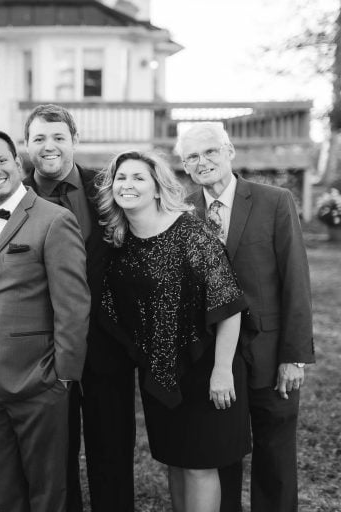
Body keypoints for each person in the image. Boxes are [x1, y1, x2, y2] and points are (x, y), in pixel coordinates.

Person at [97, 149, 251, 512]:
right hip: (161, 373)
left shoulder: (190, 235)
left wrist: (222, 371)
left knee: (199, 467)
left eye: (138, 177)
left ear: (156, 188)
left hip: (207, 371)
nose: (128, 184)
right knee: (177, 462)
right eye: (121, 177)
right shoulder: (121, 244)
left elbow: (229, 305)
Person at [177, 123, 314, 512]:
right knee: (222, 454)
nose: (202, 162)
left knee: (275, 455)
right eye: (192, 157)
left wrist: (294, 355)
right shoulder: (183, 213)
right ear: (184, 165)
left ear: (229, 150)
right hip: (213, 357)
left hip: (270, 352)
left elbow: (295, 280)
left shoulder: (275, 200)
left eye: (209, 152)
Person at [0, 129, 89, 512]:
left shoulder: (55, 220)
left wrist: (63, 376)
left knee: (46, 494)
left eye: (1, 160)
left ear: (18, 163)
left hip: (39, 383)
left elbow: (73, 304)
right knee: (8, 495)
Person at [22, 103, 135, 511]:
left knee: (114, 454)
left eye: (58, 137)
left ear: (75, 140)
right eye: (39, 138)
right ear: (26, 144)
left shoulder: (109, 190)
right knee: (54, 458)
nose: (49, 146)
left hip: (109, 346)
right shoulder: (13, 196)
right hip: (42, 350)